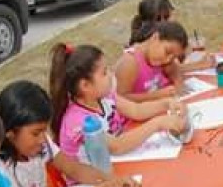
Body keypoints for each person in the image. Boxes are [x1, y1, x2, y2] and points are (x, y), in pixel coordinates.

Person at [0, 81, 140, 187]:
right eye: (36, 133)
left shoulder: (41, 144)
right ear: (10, 134)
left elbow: (72, 168)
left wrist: (112, 180)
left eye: (44, 131)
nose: (43, 138)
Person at [48, 43, 187, 172]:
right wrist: (158, 123)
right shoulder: (78, 121)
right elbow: (117, 146)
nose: (110, 75)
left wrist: (167, 103)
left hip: (116, 165)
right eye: (104, 73)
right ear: (85, 86)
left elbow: (136, 110)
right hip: (91, 183)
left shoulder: (104, 97)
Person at [129, 0, 214, 72]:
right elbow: (169, 70)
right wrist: (201, 64)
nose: (173, 19)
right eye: (169, 15)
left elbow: (184, 53)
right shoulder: (153, 42)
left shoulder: (169, 34)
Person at [115, 21, 189, 103]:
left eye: (173, 57)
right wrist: (157, 95)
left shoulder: (163, 60)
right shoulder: (130, 62)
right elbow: (120, 99)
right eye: (167, 52)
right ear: (155, 37)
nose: (167, 60)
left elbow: (174, 71)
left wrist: (178, 83)